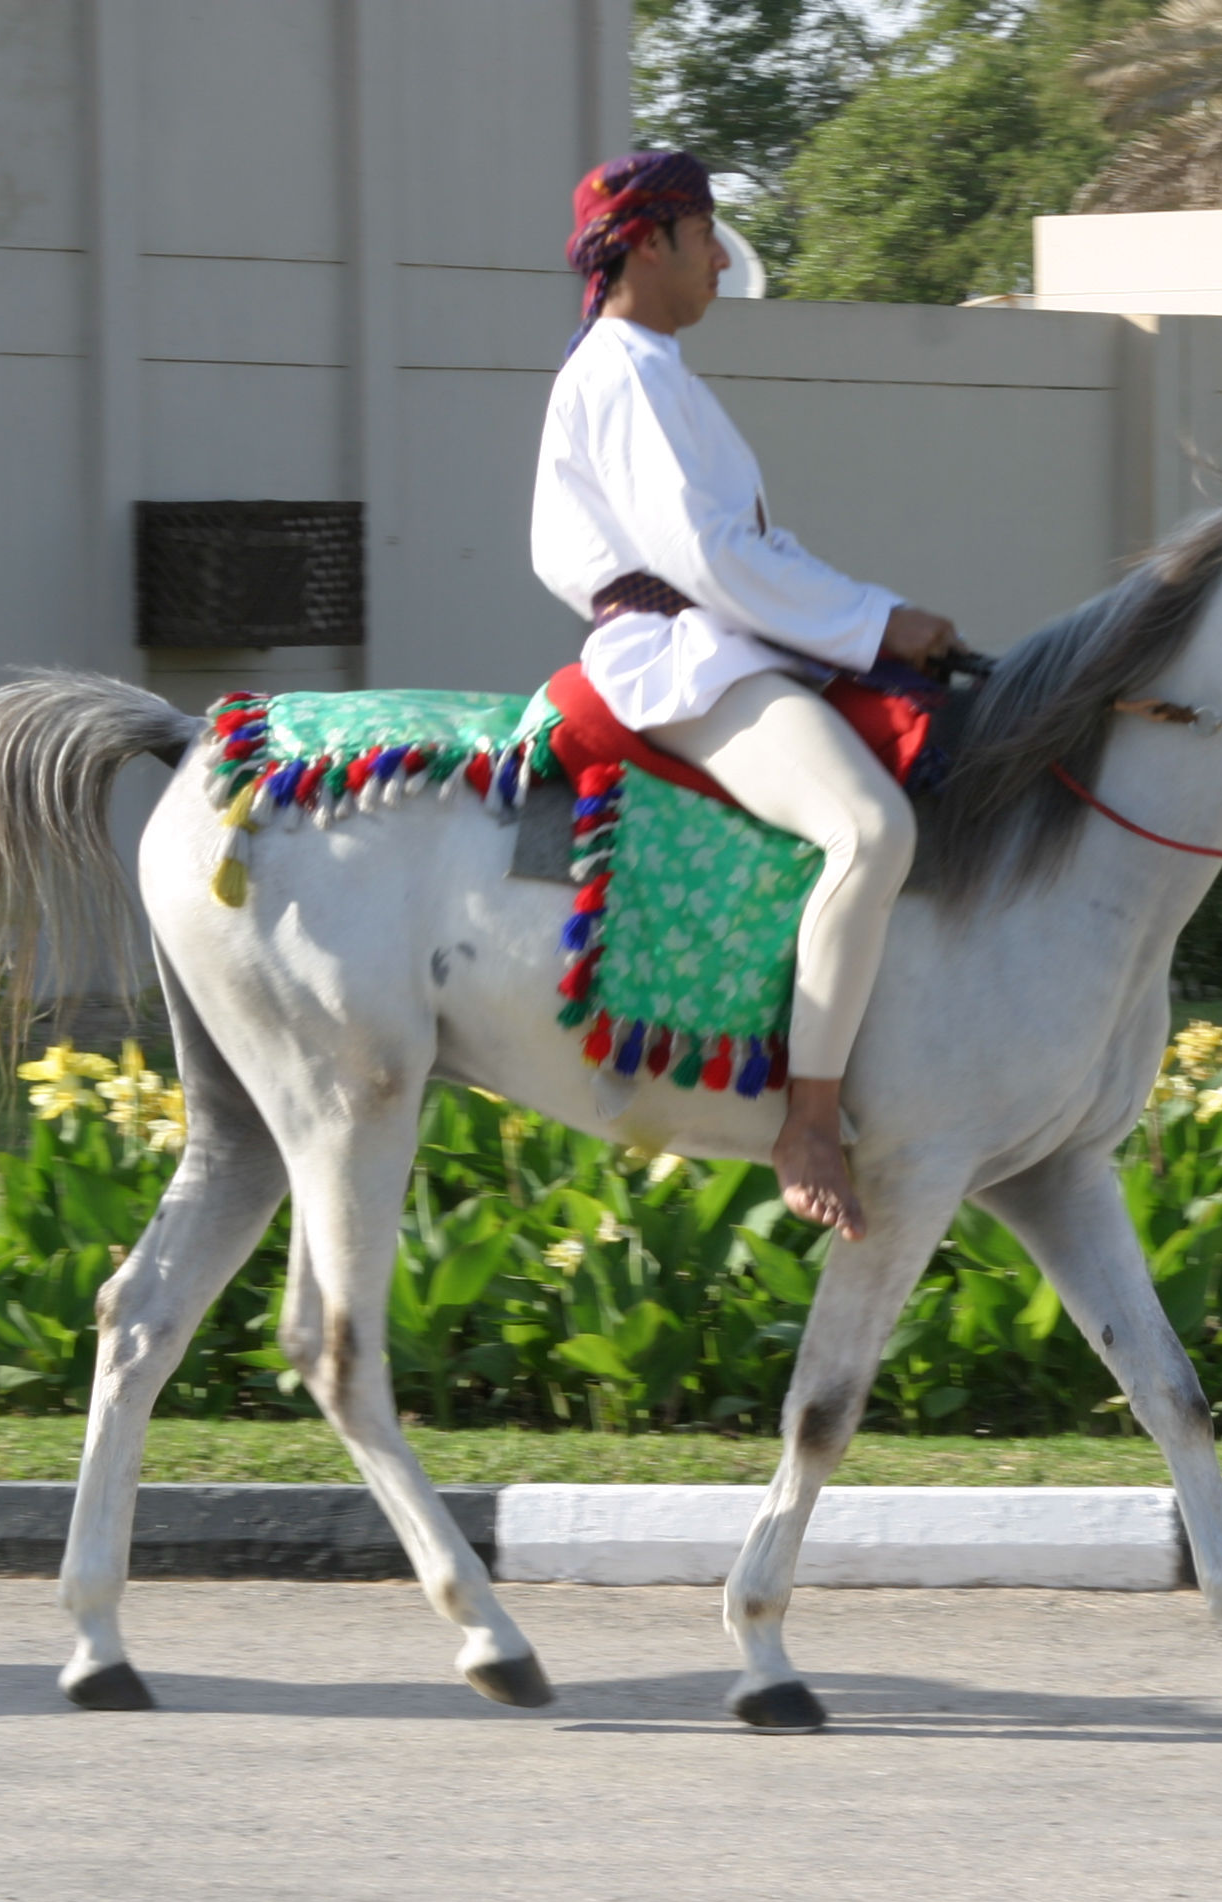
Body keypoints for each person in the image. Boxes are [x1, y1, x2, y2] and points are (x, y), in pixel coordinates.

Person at [530, 151, 956, 1241]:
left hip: (722, 644)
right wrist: (875, 622)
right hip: (682, 659)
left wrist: (874, 619)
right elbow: (707, 555)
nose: (722, 260)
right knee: (870, 830)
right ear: (649, 243)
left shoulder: (657, 371)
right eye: (705, 238)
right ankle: (808, 1123)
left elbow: (749, 550)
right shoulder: (625, 373)